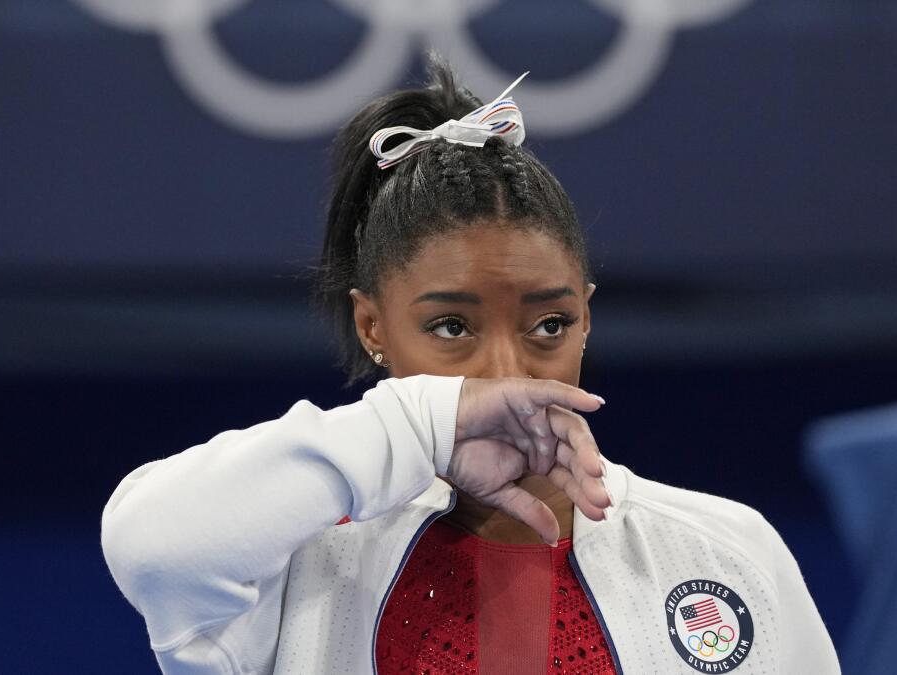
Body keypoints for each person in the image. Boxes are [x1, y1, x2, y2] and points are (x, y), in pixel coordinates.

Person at [101, 54, 839, 674]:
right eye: (451, 326)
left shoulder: (726, 550)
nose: (507, 372)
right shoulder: (299, 560)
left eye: (550, 323)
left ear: (587, 315)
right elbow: (149, 546)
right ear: (372, 325)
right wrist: (419, 423)